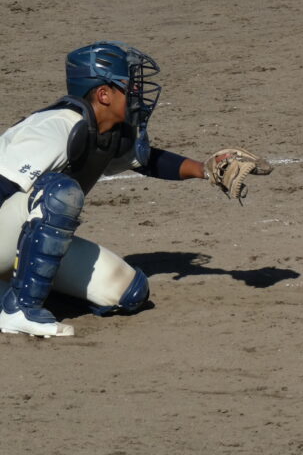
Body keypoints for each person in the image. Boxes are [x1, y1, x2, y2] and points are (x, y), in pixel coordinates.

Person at [0, 41, 272, 337]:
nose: (138, 94)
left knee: (128, 292)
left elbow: (147, 161)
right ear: (103, 94)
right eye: (129, 86)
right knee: (59, 193)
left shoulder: (107, 133)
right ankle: (20, 310)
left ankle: (11, 289)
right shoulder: (53, 128)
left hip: (17, 242)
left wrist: (205, 170)